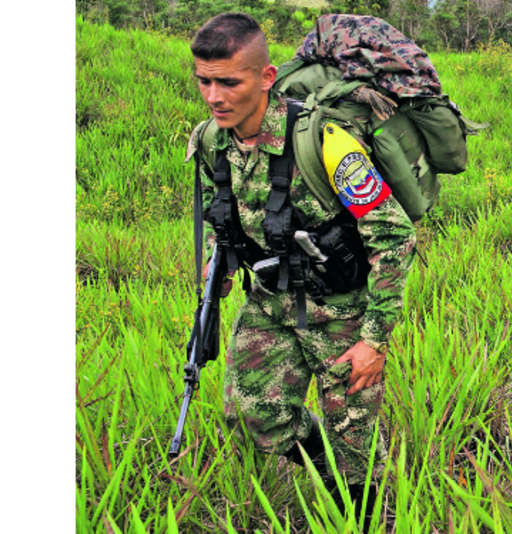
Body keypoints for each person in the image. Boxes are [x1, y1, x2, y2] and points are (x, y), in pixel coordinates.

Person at [184, 12, 416, 522]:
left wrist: (374, 340)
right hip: (269, 302)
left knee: (355, 450)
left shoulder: (324, 141)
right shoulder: (209, 140)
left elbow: (395, 235)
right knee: (251, 416)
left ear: (266, 78)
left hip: (342, 314)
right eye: (204, 81)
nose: (214, 96)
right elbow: (214, 214)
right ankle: (319, 459)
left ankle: (361, 518)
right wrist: (215, 265)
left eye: (229, 82)